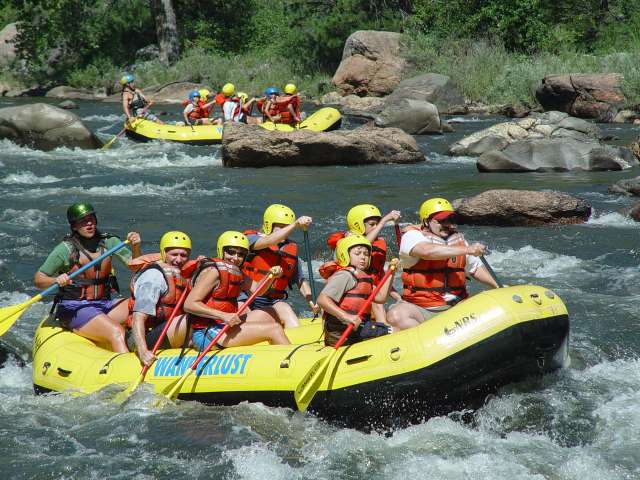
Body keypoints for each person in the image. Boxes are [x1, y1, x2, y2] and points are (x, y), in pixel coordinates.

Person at [34, 202, 141, 352]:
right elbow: (39, 279)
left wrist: (136, 246)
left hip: (105, 304)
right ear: (74, 226)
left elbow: (136, 266)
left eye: (91, 219)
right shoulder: (65, 249)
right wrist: (56, 280)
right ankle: (127, 370)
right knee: (117, 332)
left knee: (144, 307)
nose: (89, 224)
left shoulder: (110, 242)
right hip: (75, 308)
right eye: (83, 221)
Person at [386, 197, 499, 331]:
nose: (447, 224)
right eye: (441, 221)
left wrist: (497, 286)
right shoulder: (411, 236)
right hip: (421, 309)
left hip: (457, 306)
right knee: (396, 315)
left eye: (450, 220)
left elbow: (475, 269)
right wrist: (468, 250)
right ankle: (424, 341)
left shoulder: (458, 241)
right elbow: (426, 251)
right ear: (426, 221)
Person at [184, 231, 290, 349]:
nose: (235, 258)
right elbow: (189, 304)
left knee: (268, 314)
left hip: (225, 325)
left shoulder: (237, 273)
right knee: (274, 328)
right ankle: (290, 360)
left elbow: (257, 291)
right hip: (206, 333)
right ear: (221, 250)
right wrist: (223, 315)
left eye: (240, 254)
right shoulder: (213, 272)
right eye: (231, 252)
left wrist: (270, 276)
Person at [322, 204, 402, 324]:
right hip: (347, 299)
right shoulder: (346, 244)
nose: (363, 256)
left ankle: (382, 328)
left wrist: (399, 298)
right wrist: (383, 221)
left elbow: (379, 279)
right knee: (376, 303)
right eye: (372, 224)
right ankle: (383, 330)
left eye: (366, 254)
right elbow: (364, 242)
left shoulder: (374, 246)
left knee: (382, 299)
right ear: (357, 225)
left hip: (368, 293)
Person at [243, 204, 318, 328]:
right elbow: (269, 241)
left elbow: (300, 280)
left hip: (272, 300)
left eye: (287, 227)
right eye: (281, 227)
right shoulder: (250, 238)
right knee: (249, 321)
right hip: (247, 298)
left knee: (286, 308)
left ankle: (293, 341)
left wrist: (311, 301)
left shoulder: (290, 248)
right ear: (269, 225)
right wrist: (294, 225)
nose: (286, 231)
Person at [125, 231, 192, 366]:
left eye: (183, 255)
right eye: (174, 254)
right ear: (163, 253)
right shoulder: (153, 277)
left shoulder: (183, 274)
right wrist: (143, 351)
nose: (178, 260)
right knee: (190, 320)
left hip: (165, 329)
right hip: (144, 337)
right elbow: (138, 317)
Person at [318, 235, 398, 346]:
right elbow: (322, 300)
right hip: (342, 330)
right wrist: (346, 316)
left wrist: (390, 273)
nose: (363, 257)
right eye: (357, 253)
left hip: (358, 327)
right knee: (393, 331)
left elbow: (381, 298)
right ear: (345, 255)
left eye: (366, 254)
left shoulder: (364, 277)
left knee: (389, 329)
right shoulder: (345, 275)